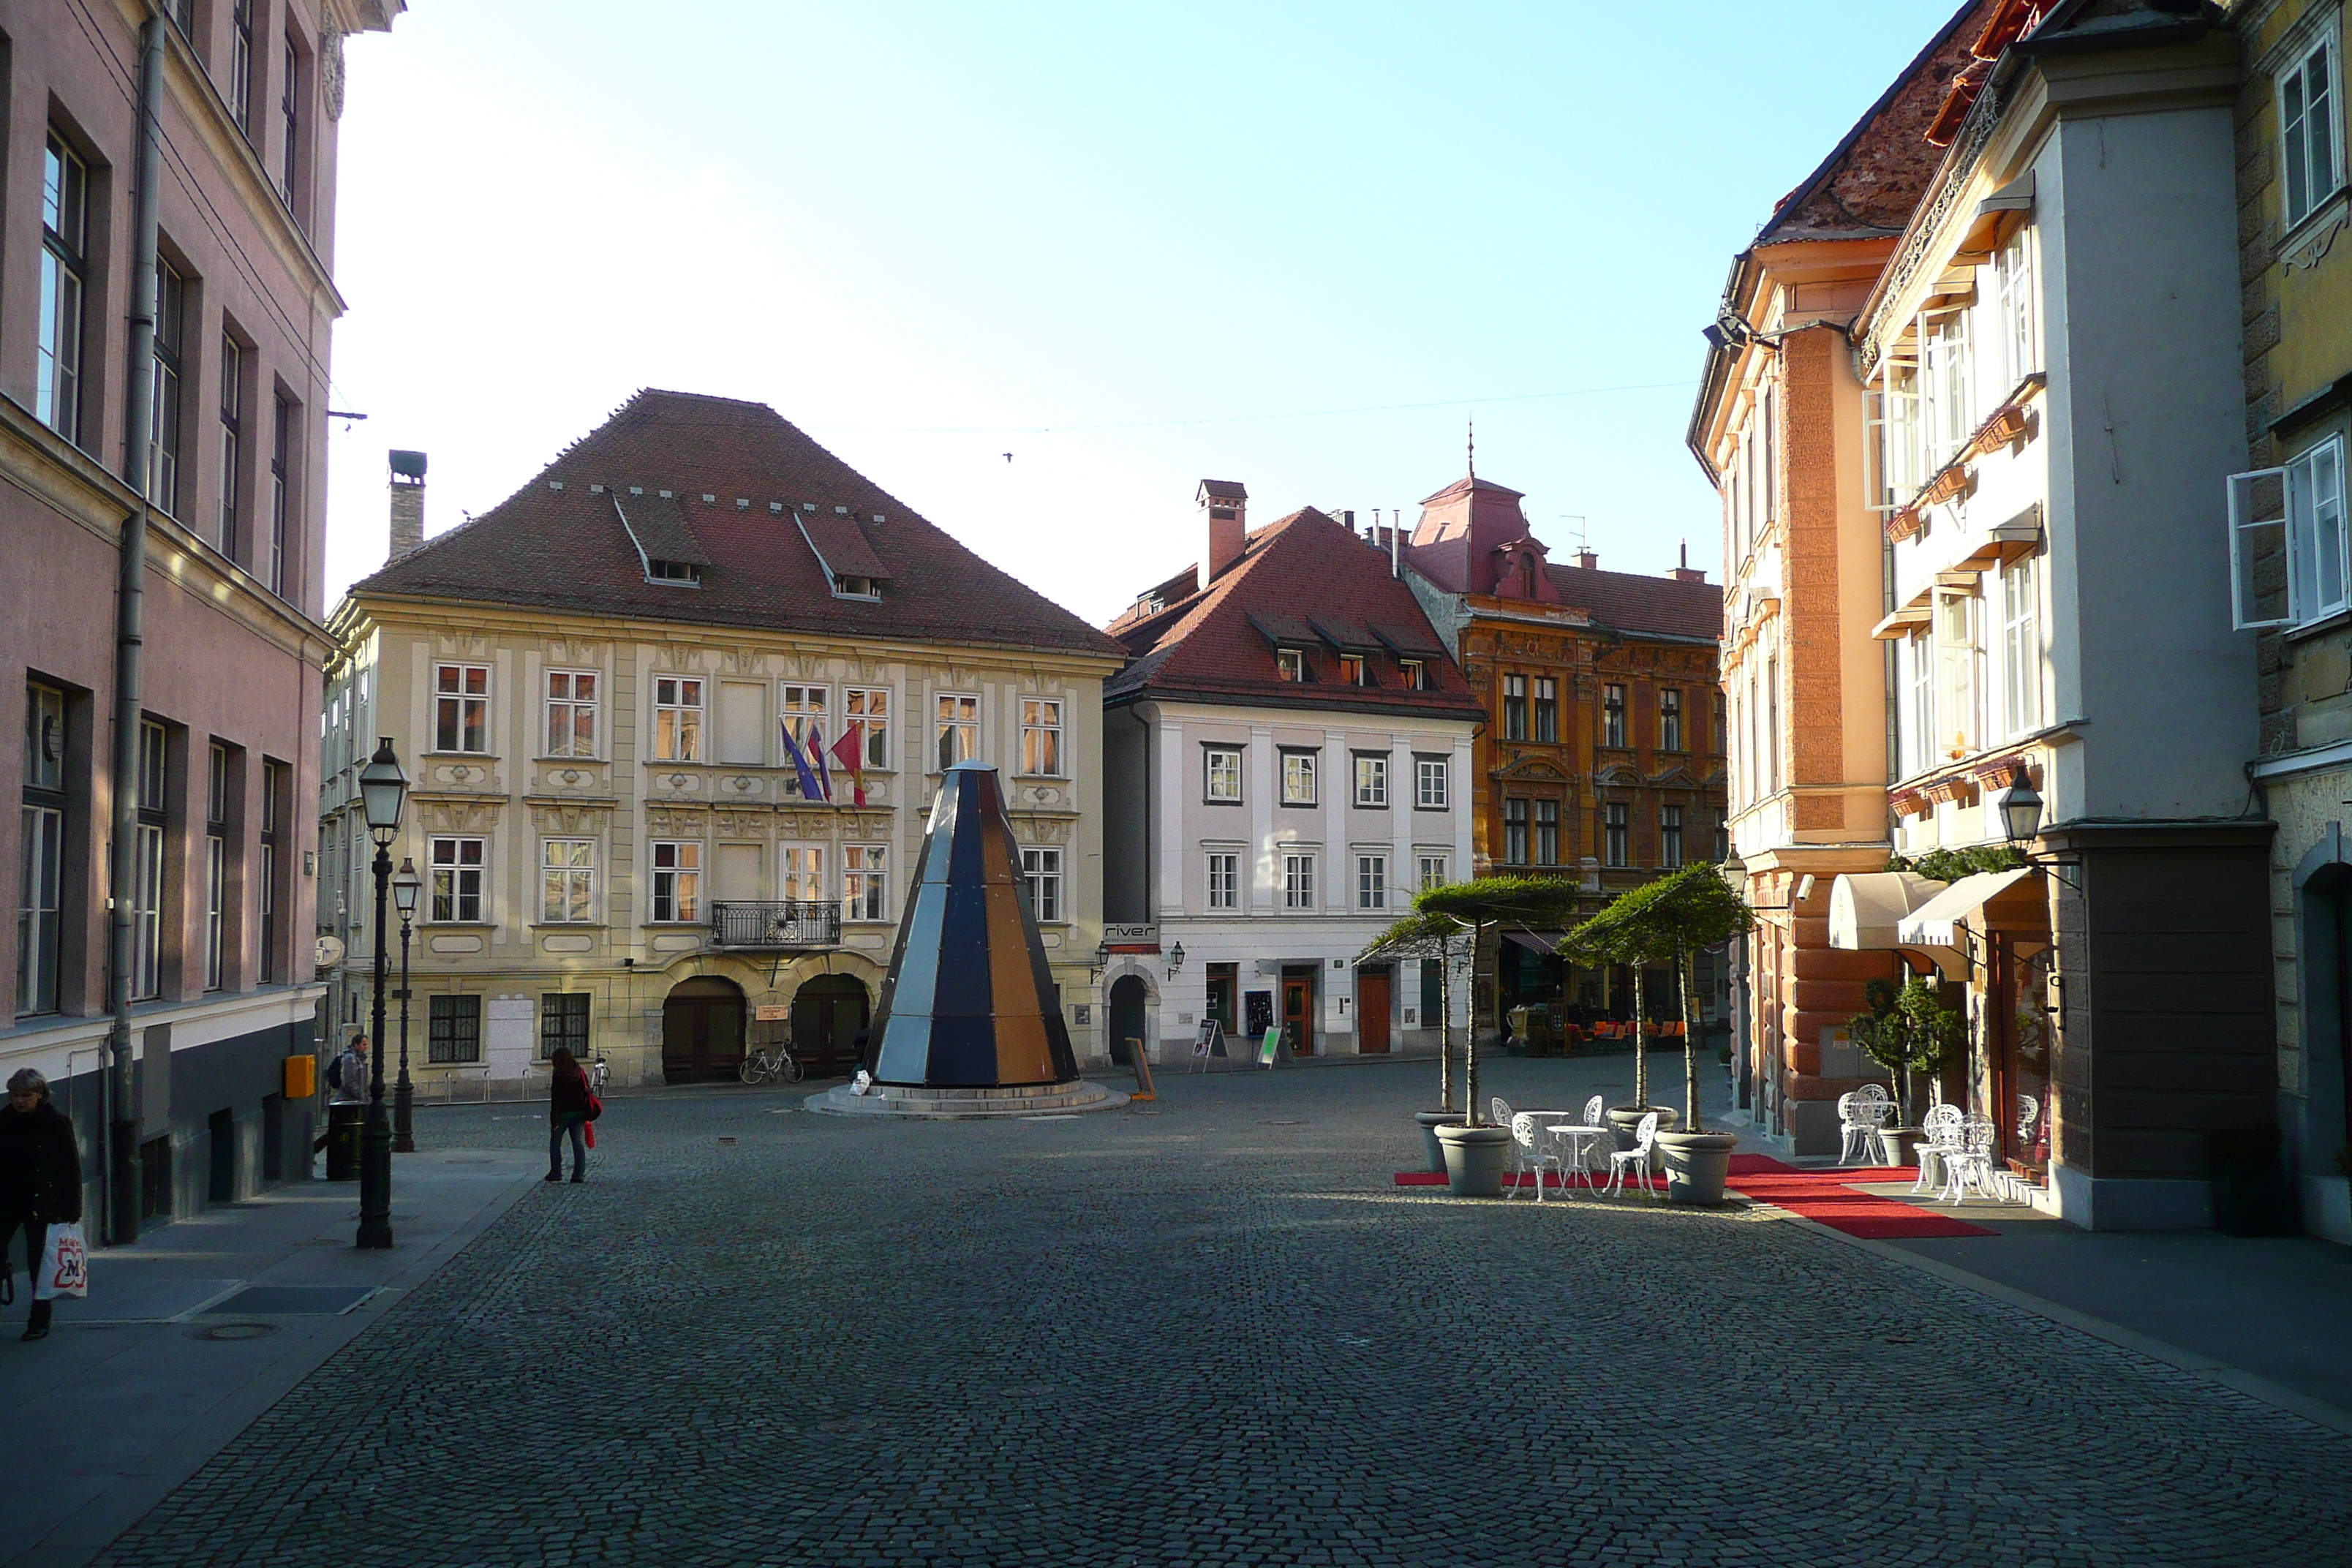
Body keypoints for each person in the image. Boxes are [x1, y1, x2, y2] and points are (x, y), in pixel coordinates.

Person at [1, 1068, 84, 1342]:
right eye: (15, 1096)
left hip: (43, 1202)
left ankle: (39, 1319)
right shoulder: (4, 1120)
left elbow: (70, 1167)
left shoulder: (56, 1123)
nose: (20, 1101)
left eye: (27, 1095)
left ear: (40, 1095)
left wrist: (72, 1210)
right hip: (8, 1199)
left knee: (40, 1262)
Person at [547, 1046, 592, 1183]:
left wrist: (554, 1120)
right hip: (579, 1112)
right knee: (577, 1143)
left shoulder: (558, 1074)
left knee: (555, 1142)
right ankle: (578, 1174)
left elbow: (556, 1099)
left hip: (563, 1114)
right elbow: (586, 1091)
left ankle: (556, 1172)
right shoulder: (580, 1071)